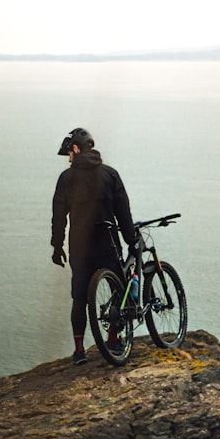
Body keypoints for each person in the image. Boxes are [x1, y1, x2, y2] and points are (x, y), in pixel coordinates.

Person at [50, 127, 137, 365]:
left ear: (76, 149)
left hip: (80, 247)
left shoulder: (66, 179)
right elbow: (123, 213)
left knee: (80, 298)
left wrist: (57, 247)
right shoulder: (110, 174)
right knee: (119, 289)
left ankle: (79, 352)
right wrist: (132, 240)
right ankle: (112, 338)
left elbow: (59, 217)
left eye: (69, 153)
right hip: (108, 244)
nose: (68, 158)